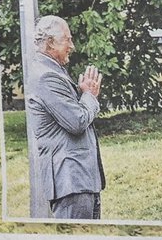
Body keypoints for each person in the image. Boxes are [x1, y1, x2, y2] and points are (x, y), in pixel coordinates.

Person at [26, 15, 105, 221]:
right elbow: (77, 122)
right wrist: (89, 95)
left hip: (78, 182)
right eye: (67, 39)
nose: (72, 45)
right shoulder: (46, 76)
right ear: (50, 43)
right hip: (71, 182)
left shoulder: (52, 71)